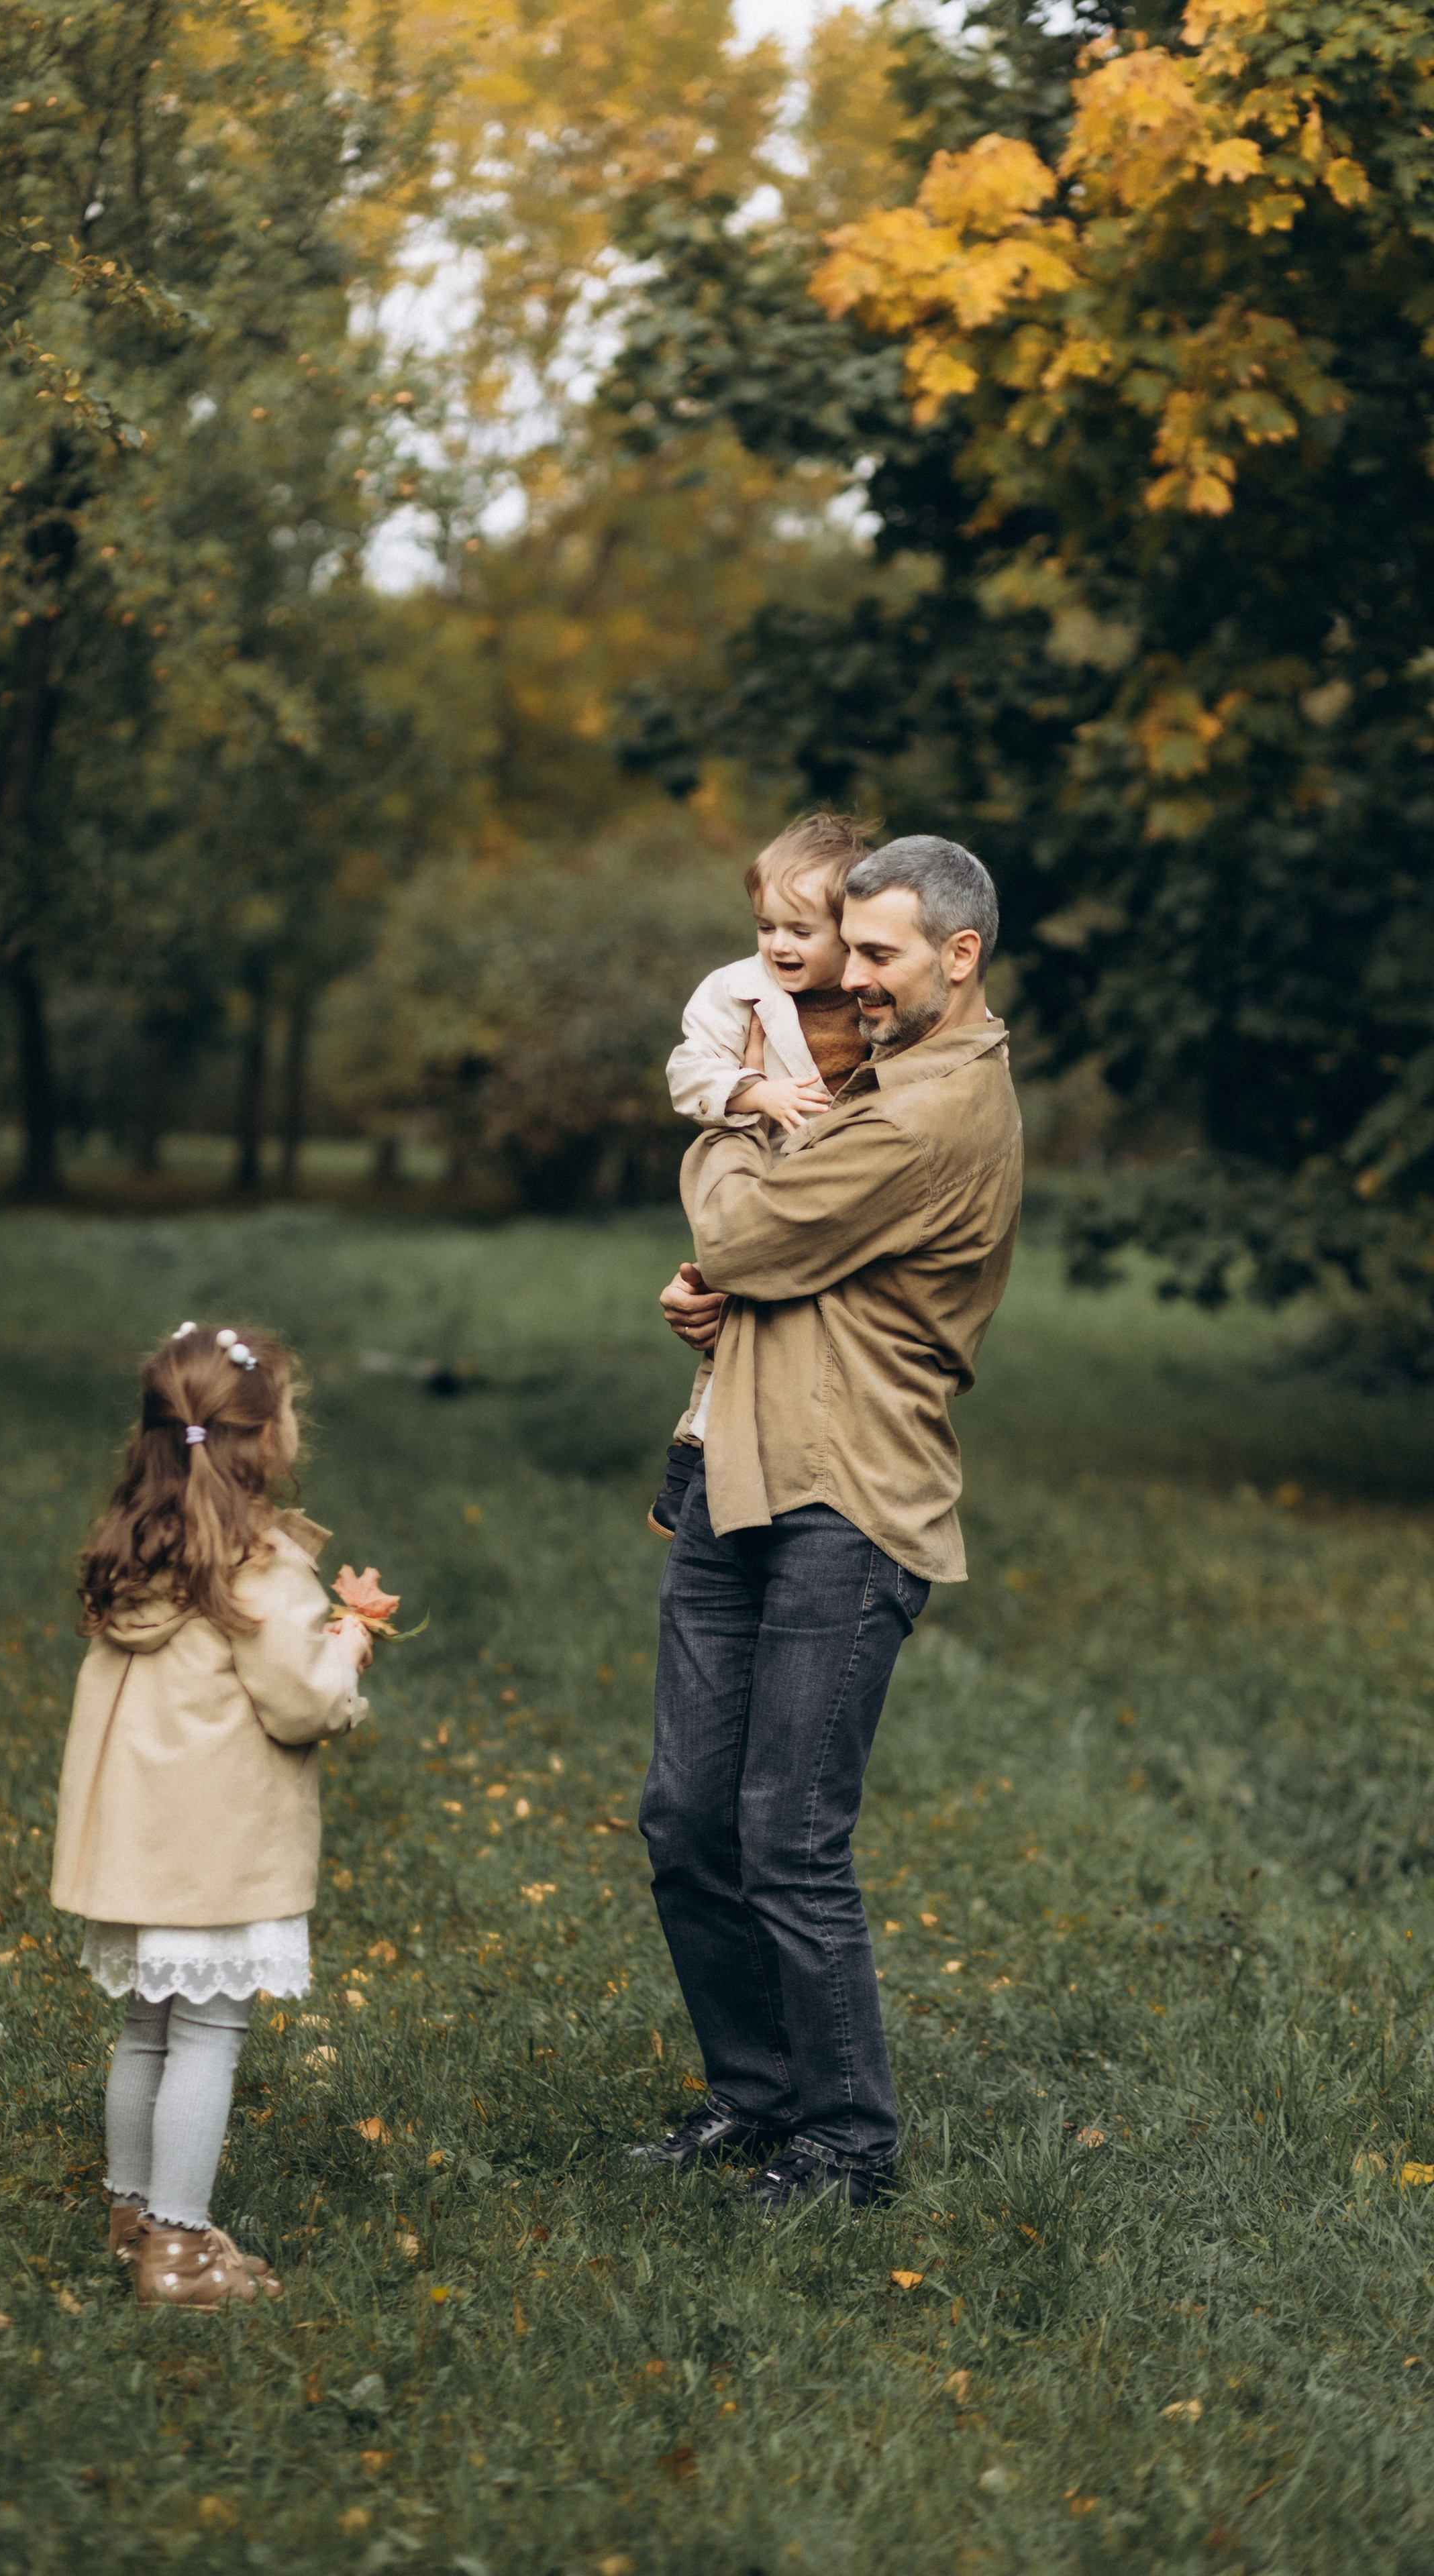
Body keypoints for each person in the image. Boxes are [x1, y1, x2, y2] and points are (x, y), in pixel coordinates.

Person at [632, 836, 1023, 2212]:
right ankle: (754, 2095)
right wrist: (728, 1280)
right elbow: (771, 1269)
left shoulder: (928, 1111)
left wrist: (727, 1156)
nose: (846, 979)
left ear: (956, 958)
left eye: (877, 955)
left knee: (786, 1832)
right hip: (736, 1472)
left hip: (846, 1501)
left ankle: (847, 2146)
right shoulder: (870, 1082)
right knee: (685, 1818)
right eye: (840, 948)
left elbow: (745, 1236)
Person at [50, 1320, 375, 2308]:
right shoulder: (257, 1564)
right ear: (265, 1440)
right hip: (217, 1844)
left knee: (148, 2029)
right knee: (207, 2035)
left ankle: (134, 2212)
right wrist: (349, 1648)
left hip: (144, 1840)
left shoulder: (137, 1544)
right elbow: (299, 1701)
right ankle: (182, 2253)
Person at [650, 813, 874, 1539]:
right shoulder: (736, 991)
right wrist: (753, 1090)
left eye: (800, 931)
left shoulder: (877, 995)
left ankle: (794, 1479)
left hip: (842, 1188)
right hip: (760, 1175)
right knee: (735, 1327)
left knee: (792, 1332)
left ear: (851, 932)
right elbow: (688, 1073)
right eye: (765, 926)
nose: (778, 944)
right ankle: (690, 1473)